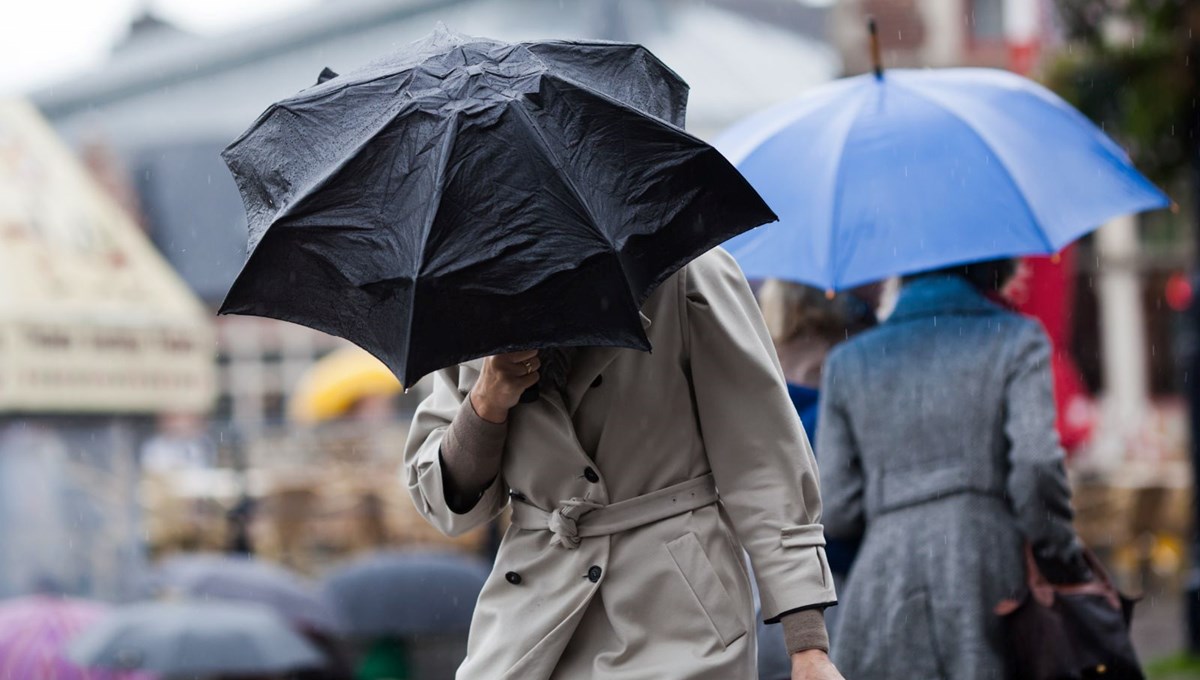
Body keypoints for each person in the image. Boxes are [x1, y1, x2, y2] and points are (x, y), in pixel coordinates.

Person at [404, 249, 843, 680]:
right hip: (532, 620)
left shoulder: (686, 270)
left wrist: (806, 642)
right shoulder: (466, 300)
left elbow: (762, 458)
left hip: (678, 616)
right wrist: (486, 402)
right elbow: (447, 504)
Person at [817, 259, 1091, 679]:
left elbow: (836, 509)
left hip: (883, 580)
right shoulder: (1015, 339)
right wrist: (1060, 555)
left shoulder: (848, 361)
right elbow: (1036, 466)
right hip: (987, 570)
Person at [753, 280, 877, 680]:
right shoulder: (861, 358)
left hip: (769, 589)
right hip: (843, 584)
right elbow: (842, 507)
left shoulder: (754, 355)